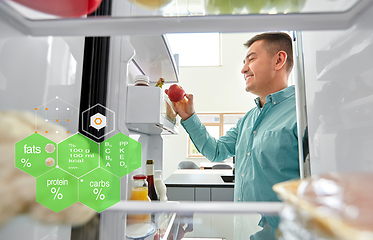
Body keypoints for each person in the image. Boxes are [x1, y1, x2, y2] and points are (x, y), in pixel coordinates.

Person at [166, 32, 300, 235]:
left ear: (279, 60)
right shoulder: (247, 119)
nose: (243, 69)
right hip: (243, 232)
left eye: (252, 59)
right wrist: (188, 117)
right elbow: (216, 151)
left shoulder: (302, 113)